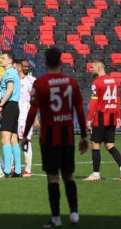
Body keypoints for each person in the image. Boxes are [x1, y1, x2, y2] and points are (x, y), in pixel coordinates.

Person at [22, 47, 88, 228]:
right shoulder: (71, 82)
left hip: (48, 138)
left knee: (53, 178)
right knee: (69, 176)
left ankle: (56, 218)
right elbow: (80, 111)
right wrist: (83, 136)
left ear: (45, 62)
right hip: (67, 137)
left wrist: (26, 135)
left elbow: (32, 110)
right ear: (61, 61)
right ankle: (74, 215)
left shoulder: (40, 83)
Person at [84, 59, 121, 182]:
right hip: (113, 116)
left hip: (101, 116)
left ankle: (96, 174)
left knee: (95, 144)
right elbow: (118, 99)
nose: (90, 69)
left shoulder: (97, 82)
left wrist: (89, 119)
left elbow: (94, 102)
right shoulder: (114, 81)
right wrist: (118, 116)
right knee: (109, 145)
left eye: (92, 67)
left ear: (99, 68)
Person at [0, 51, 22, 177]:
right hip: (14, 106)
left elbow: (10, 89)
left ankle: (6, 170)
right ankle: (17, 170)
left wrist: (1, 105)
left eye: (3, 58)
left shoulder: (9, 72)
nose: (1, 60)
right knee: (13, 139)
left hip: (9, 106)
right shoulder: (14, 72)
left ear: (10, 61)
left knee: (5, 138)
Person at [18, 59, 39, 177]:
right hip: (15, 115)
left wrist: (35, 118)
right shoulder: (14, 80)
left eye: (28, 66)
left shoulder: (32, 81)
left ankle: (28, 169)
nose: (27, 68)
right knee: (13, 141)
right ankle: (13, 167)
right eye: (24, 66)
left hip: (25, 116)